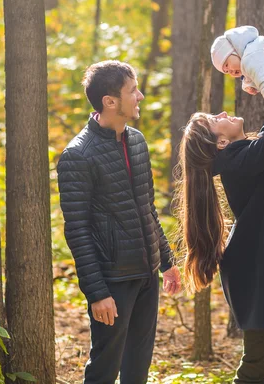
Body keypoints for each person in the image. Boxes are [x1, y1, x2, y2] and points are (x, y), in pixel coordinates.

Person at [176, 45, 264, 383]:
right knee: (255, 367)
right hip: (259, 274)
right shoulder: (241, 162)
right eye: (215, 121)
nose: (222, 114)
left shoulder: (242, 158)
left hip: (262, 269)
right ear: (220, 143)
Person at [57, 60, 182, 384]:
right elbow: (77, 230)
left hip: (145, 274)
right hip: (112, 278)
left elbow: (147, 208)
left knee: (137, 368)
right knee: (104, 368)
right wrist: (97, 292)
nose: (139, 96)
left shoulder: (138, 141)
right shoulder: (77, 156)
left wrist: (165, 261)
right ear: (110, 102)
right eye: (132, 91)